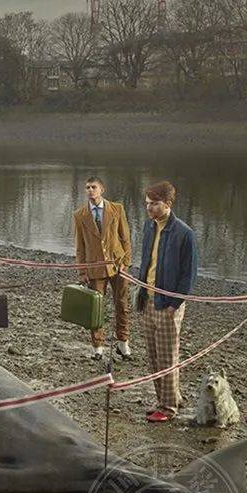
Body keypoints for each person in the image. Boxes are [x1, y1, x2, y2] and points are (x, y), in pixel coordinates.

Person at [136, 181, 197, 423]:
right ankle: (166, 399)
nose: (149, 208)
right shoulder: (149, 227)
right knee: (153, 355)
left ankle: (169, 407)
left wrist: (175, 304)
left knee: (167, 356)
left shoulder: (185, 234)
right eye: (147, 204)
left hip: (168, 304)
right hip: (147, 299)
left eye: (154, 204)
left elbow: (189, 275)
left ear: (168, 204)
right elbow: (146, 262)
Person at [73, 176, 132, 360]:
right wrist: (82, 271)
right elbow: (80, 246)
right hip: (95, 268)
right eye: (87, 187)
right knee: (96, 308)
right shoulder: (80, 215)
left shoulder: (117, 209)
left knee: (122, 305)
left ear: (102, 189)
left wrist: (126, 262)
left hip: (118, 266)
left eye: (94, 187)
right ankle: (97, 347)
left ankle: (123, 344)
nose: (90, 190)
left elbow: (126, 238)